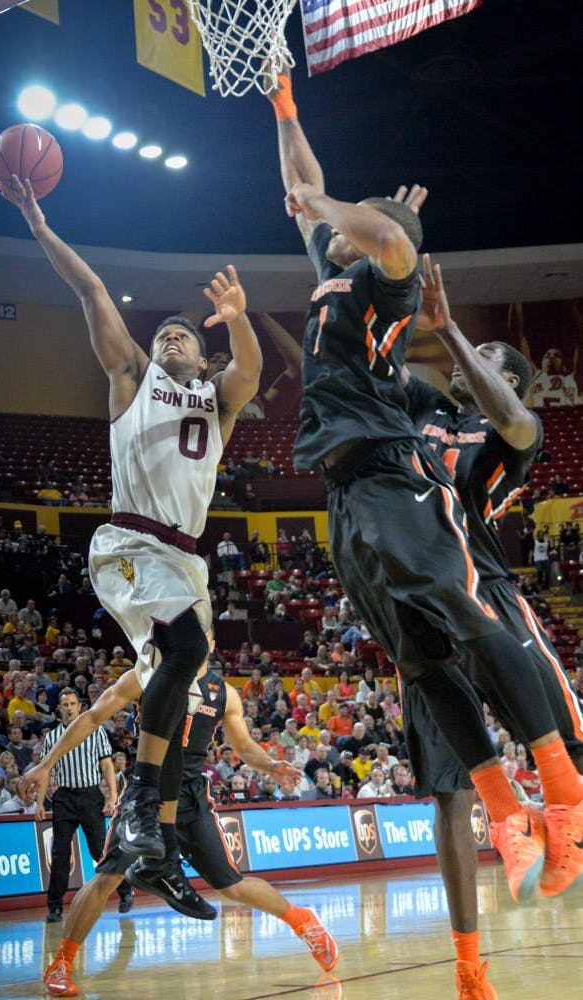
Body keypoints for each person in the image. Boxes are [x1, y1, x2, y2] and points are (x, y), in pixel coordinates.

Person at [265, 65, 583, 917]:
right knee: (418, 653)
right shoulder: (334, 277)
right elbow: (304, 183)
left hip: (395, 478)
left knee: (462, 602)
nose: (330, 227)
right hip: (345, 492)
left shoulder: (383, 280)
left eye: (356, 228)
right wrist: (287, 108)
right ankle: (508, 808)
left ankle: (561, 787)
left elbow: (387, 237)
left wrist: (352, 219)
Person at [1, 173, 262, 864]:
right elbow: (90, 290)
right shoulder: (132, 378)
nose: (170, 337)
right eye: (164, 333)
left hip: (184, 562)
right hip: (126, 543)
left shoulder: (217, 402)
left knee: (181, 674)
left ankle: (153, 842)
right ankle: (148, 808)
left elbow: (250, 376)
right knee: (185, 655)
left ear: (202, 358)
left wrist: (236, 316)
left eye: (183, 334)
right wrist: (38, 225)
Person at [401, 256, 583, 997]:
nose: (467, 372)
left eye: (492, 363)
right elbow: (361, 367)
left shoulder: (513, 431)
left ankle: (557, 826)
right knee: (448, 791)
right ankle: (469, 963)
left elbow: (511, 413)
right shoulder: (422, 413)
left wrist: (454, 340)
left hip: (487, 589)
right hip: (418, 595)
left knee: (568, 737)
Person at [20, 644, 338, 998]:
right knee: (108, 876)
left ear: (211, 643)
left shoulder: (224, 693)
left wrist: (270, 765)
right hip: (147, 792)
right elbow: (93, 717)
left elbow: (244, 745)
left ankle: (303, 921)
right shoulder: (147, 676)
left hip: (189, 796)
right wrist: (46, 763)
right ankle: (61, 962)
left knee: (230, 884)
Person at [37, 687, 129, 922]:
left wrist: (111, 797)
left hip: (90, 796)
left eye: (72, 704)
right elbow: (45, 772)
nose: (68, 709)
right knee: (60, 854)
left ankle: (125, 891)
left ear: (80, 707)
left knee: (99, 850)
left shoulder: (96, 732)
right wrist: (40, 803)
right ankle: (55, 908)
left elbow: (107, 766)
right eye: (64, 705)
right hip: (64, 797)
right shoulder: (51, 738)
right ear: (59, 709)